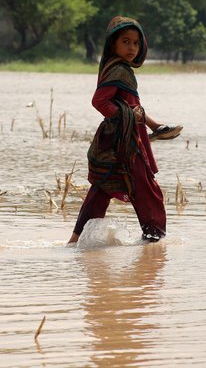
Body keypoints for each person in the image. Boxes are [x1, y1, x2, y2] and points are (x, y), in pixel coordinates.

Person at [67, 15, 182, 245]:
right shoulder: (118, 69)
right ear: (113, 44)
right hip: (124, 142)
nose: (132, 48)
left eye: (136, 43)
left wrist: (154, 126)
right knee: (148, 190)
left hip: (118, 139)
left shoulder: (118, 68)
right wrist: (126, 120)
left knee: (102, 189)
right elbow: (100, 101)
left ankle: (75, 241)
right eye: (126, 42)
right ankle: (155, 243)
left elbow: (132, 106)